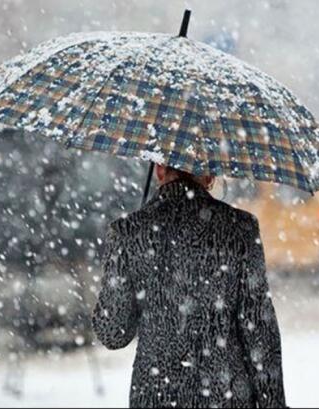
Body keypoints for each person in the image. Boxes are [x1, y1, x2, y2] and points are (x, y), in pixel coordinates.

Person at [92, 165, 286, 408]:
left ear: (160, 171)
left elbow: (113, 333)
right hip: (226, 396)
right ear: (210, 176)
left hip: (156, 396)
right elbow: (259, 329)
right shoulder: (240, 228)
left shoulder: (127, 232)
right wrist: (273, 403)